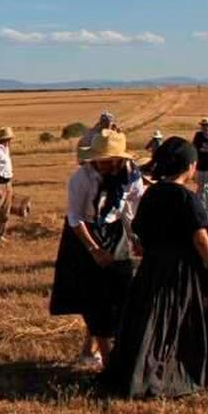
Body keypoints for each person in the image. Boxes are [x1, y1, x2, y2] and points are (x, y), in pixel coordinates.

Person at [104, 137, 208, 398]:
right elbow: (200, 238)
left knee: (148, 323)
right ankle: (172, 374)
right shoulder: (186, 198)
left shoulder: (152, 194)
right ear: (190, 166)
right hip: (183, 270)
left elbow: (140, 233)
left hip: (152, 268)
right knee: (178, 323)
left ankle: (138, 373)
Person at [49, 130, 139, 369]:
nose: (105, 164)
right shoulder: (81, 178)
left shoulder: (131, 177)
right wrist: (94, 249)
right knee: (94, 296)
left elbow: (129, 211)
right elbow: (75, 217)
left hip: (114, 231)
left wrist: (134, 239)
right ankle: (105, 361)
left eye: (110, 160)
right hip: (83, 234)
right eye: (101, 159)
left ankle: (103, 352)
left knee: (119, 293)